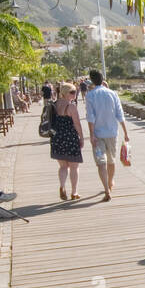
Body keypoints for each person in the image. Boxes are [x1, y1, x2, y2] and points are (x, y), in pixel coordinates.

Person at [85, 69, 130, 202]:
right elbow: (119, 113)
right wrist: (126, 132)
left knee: (101, 163)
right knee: (111, 160)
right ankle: (111, 182)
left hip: (98, 134)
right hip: (112, 133)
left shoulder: (90, 95)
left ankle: (106, 189)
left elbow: (90, 117)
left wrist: (91, 135)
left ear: (92, 80)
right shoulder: (113, 93)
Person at [50, 81, 85, 200]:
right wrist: (81, 137)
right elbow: (77, 124)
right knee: (74, 167)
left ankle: (62, 186)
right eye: (72, 92)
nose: (75, 94)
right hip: (70, 138)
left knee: (63, 166)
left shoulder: (54, 105)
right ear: (65, 93)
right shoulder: (71, 106)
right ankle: (74, 192)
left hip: (57, 138)